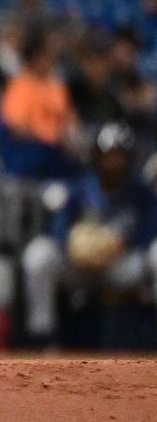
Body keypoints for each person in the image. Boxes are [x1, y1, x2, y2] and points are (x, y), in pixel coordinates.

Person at [21, 123, 157, 342]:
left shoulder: (140, 193)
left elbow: (151, 229)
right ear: (97, 157)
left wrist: (125, 241)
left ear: (129, 159)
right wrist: (75, 241)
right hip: (80, 267)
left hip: (120, 266)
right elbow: (58, 229)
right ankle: (42, 338)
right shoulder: (81, 188)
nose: (113, 162)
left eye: (119, 156)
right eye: (108, 156)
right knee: (39, 254)